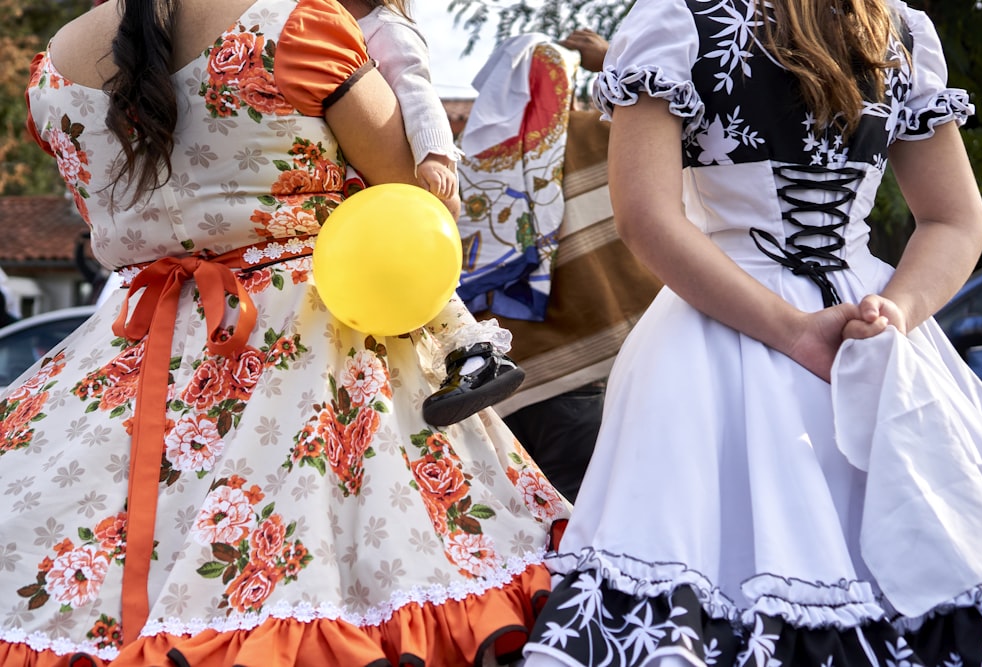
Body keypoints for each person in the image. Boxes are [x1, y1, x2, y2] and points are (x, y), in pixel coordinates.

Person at [0, 0, 569, 664]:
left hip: (128, 352)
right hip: (315, 346)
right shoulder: (296, 23)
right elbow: (412, 192)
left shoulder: (55, 68)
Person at [522, 0, 982, 665]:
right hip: (866, 328)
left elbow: (647, 216)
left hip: (722, 327)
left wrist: (844, 324)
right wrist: (893, 311)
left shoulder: (677, 22)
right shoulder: (896, 29)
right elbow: (954, 220)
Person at [459, 28, 661, 503]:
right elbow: (695, 115)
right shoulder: (610, 138)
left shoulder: (463, 177)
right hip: (603, 381)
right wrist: (612, 60)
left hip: (509, 396)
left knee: (542, 544)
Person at [338, 0, 527, 429]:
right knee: (401, 278)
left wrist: (437, 156)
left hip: (402, 184)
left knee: (414, 274)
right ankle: (467, 358)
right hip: (371, 192)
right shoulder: (336, 22)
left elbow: (418, 90)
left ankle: (476, 355)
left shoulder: (383, 27)